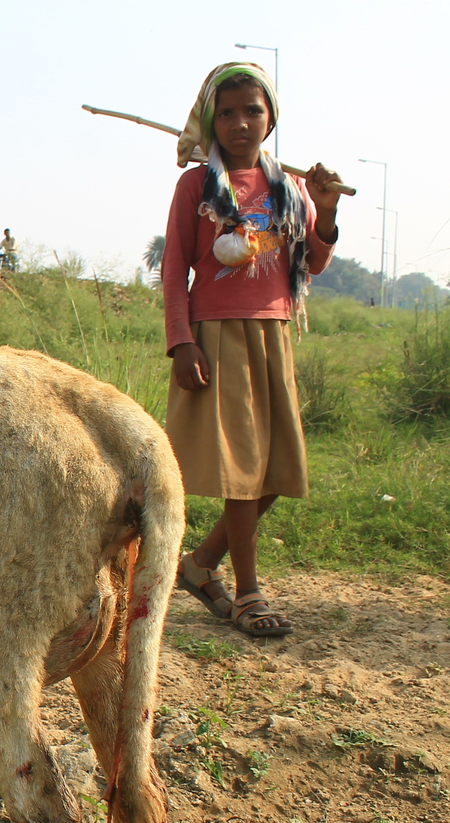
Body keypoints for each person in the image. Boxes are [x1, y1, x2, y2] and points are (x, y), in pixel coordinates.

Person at [162, 62, 343, 637]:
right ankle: (248, 594)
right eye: (229, 112)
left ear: (271, 119)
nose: (241, 123)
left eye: (253, 111)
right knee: (243, 469)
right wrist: (181, 340)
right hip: (217, 336)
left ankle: (197, 565)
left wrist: (327, 210)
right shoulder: (197, 186)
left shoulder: (289, 188)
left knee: (272, 471)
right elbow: (173, 270)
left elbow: (311, 261)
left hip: (273, 334)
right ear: (212, 119)